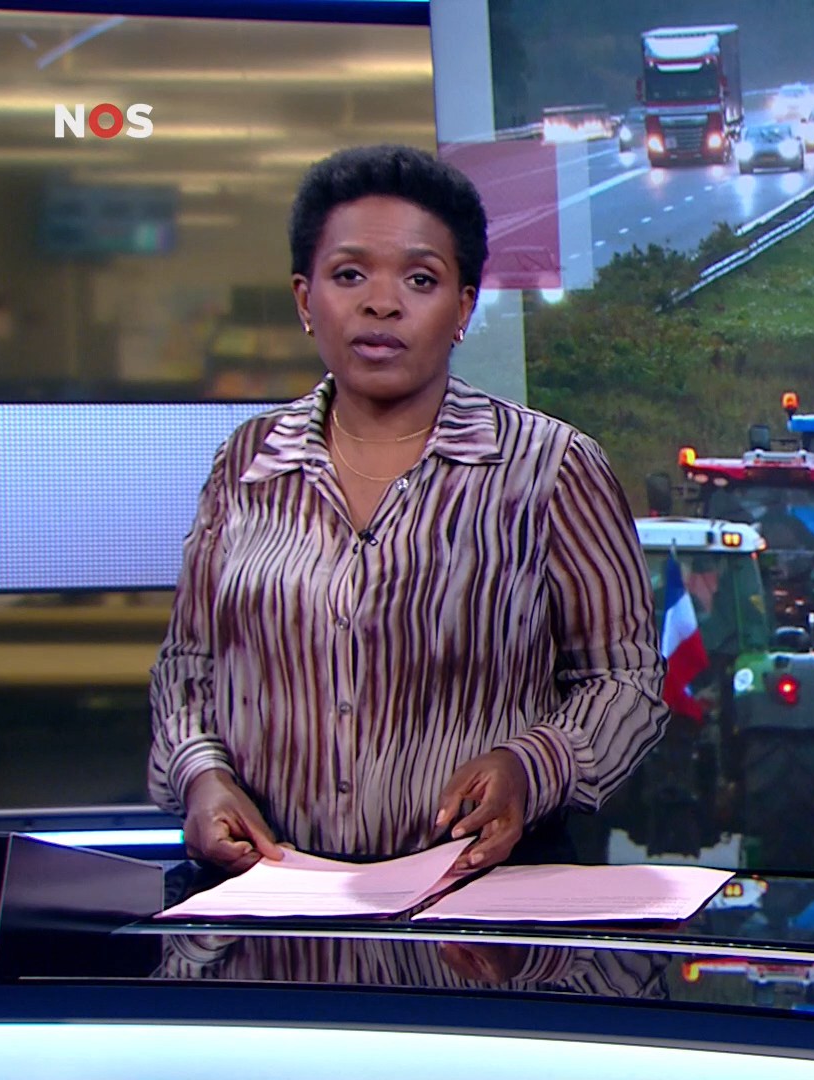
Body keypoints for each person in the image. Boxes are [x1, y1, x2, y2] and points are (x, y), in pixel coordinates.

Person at [148, 145, 667, 876]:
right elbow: (188, 667)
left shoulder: (552, 468)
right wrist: (201, 775)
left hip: (480, 901)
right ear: (304, 300)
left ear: (463, 308)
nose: (382, 304)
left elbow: (625, 681)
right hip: (269, 897)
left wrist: (531, 768)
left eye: (420, 279)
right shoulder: (246, 463)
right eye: (349, 275)